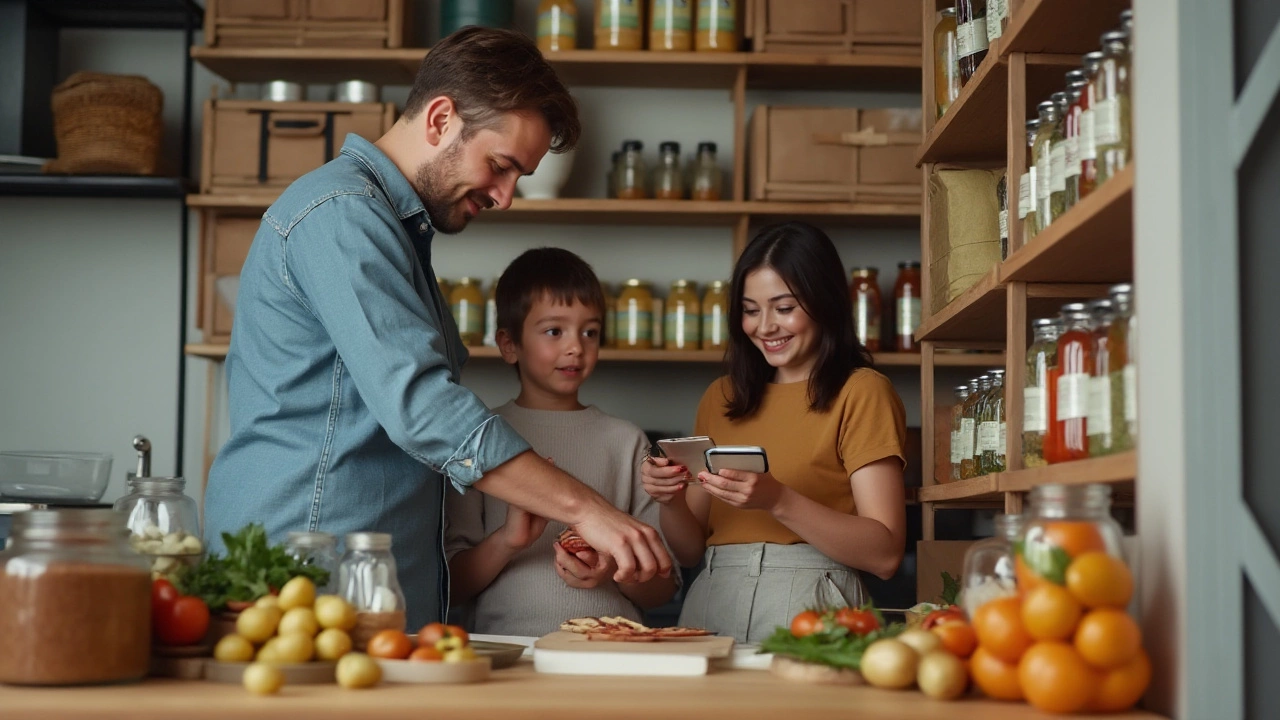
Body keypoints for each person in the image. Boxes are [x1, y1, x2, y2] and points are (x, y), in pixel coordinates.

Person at [202, 27, 670, 632]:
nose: (505, 197)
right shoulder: (342, 216)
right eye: (500, 167)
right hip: (307, 571)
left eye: (517, 178)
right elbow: (423, 407)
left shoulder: (392, 231)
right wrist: (589, 508)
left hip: (361, 581)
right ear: (441, 118)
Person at [641, 221, 908, 643]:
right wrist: (668, 499)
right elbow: (690, 550)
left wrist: (778, 500)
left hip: (815, 601)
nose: (764, 326)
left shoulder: (862, 392)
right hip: (711, 595)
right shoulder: (721, 397)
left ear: (825, 303)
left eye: (784, 308)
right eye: (750, 310)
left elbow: (886, 553)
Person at [444, 248, 678, 636]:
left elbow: (661, 589)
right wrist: (508, 540)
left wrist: (616, 569)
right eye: (555, 331)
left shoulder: (627, 441)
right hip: (511, 653)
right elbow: (452, 585)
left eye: (590, 331)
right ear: (509, 344)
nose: (576, 346)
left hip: (614, 654)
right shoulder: (478, 438)